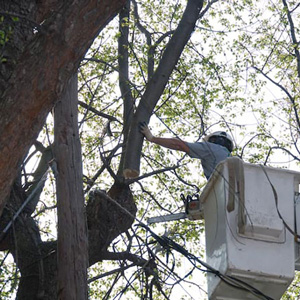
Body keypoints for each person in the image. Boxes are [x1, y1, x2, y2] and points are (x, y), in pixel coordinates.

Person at [139, 122, 234, 180]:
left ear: (213, 140)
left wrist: (152, 138)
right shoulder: (233, 160)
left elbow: (179, 144)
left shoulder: (211, 148)